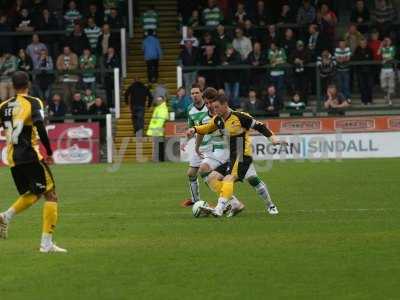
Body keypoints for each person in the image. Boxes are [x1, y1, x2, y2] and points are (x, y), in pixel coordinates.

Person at [0, 71, 67, 252]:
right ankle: (46, 244)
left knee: (35, 193)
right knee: (51, 194)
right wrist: (50, 151)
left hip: (13, 159)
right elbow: (39, 125)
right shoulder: (33, 102)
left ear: (13, 86)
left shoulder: (3, 106)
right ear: (28, 84)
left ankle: (6, 216)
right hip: (30, 155)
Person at [186, 94, 281, 217]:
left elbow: (260, 126)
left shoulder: (240, 117)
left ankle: (221, 208)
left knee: (231, 179)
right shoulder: (218, 119)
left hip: (243, 155)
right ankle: (233, 204)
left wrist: (273, 139)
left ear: (225, 105)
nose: (215, 110)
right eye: (213, 107)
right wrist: (194, 129)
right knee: (211, 178)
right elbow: (207, 127)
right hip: (232, 157)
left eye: (217, 107)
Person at [146, 96, 169, 162]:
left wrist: (156, 130)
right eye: (157, 100)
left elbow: (161, 121)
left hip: (157, 129)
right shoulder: (159, 108)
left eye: (159, 100)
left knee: (157, 145)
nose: (158, 101)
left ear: (163, 101)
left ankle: (157, 159)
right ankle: (158, 159)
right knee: (157, 145)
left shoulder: (162, 108)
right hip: (157, 129)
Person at [353, 39, 374, 105]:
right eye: (361, 43)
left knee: (369, 86)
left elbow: (371, 58)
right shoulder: (357, 50)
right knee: (362, 86)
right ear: (359, 44)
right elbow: (356, 58)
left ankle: (369, 100)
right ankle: (363, 101)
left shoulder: (369, 50)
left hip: (369, 71)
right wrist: (364, 57)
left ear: (366, 43)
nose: (363, 44)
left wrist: (363, 57)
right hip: (360, 71)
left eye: (364, 43)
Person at [222, 44, 241, 108]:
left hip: (236, 78)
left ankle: (235, 110)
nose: (229, 50)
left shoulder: (237, 54)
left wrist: (229, 62)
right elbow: (223, 62)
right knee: (228, 95)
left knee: (235, 96)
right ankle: (228, 110)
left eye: (231, 49)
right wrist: (228, 56)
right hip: (227, 79)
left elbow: (238, 62)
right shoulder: (224, 55)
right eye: (228, 49)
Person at [378, 37, 396, 105]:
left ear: (390, 41)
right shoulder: (383, 48)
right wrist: (381, 45)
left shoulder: (392, 48)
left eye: (388, 40)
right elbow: (378, 53)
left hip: (390, 69)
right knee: (383, 86)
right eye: (385, 40)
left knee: (391, 86)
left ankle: (390, 100)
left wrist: (385, 60)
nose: (387, 41)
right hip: (383, 69)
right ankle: (386, 96)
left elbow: (392, 56)